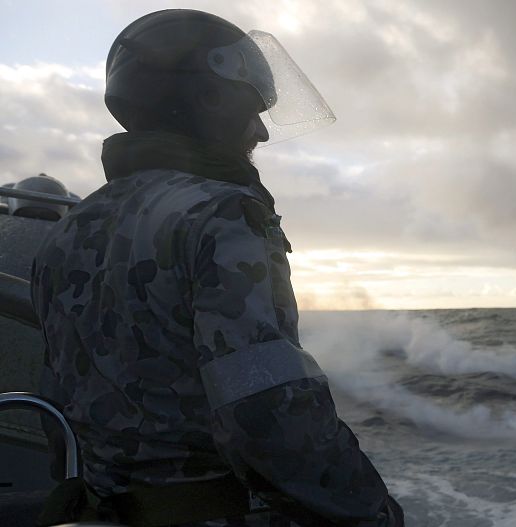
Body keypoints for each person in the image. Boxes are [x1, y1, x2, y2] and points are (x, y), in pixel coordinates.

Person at [31, 9, 403, 527]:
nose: (261, 132)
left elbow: (58, 399)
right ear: (209, 99)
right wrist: (372, 512)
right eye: (251, 110)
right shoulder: (223, 214)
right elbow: (266, 411)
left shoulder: (69, 229)